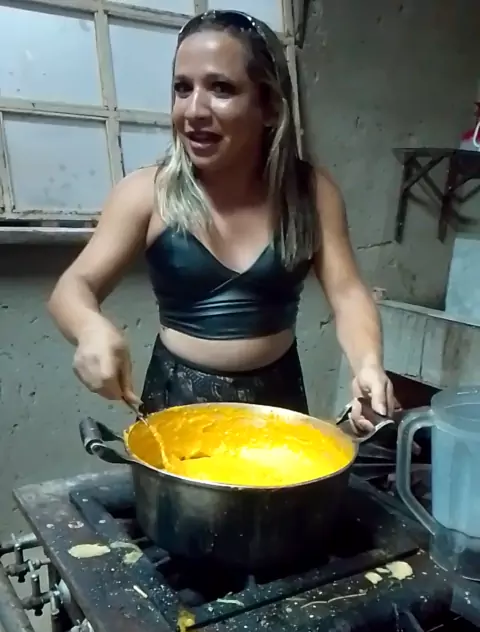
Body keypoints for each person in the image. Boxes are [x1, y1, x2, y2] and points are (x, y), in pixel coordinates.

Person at [48, 9, 394, 432]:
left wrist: (368, 365)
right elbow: (73, 287)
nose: (194, 110)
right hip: (176, 402)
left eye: (221, 88)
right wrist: (89, 327)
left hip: (278, 403)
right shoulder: (146, 193)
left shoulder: (311, 192)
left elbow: (347, 293)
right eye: (182, 88)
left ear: (269, 107)